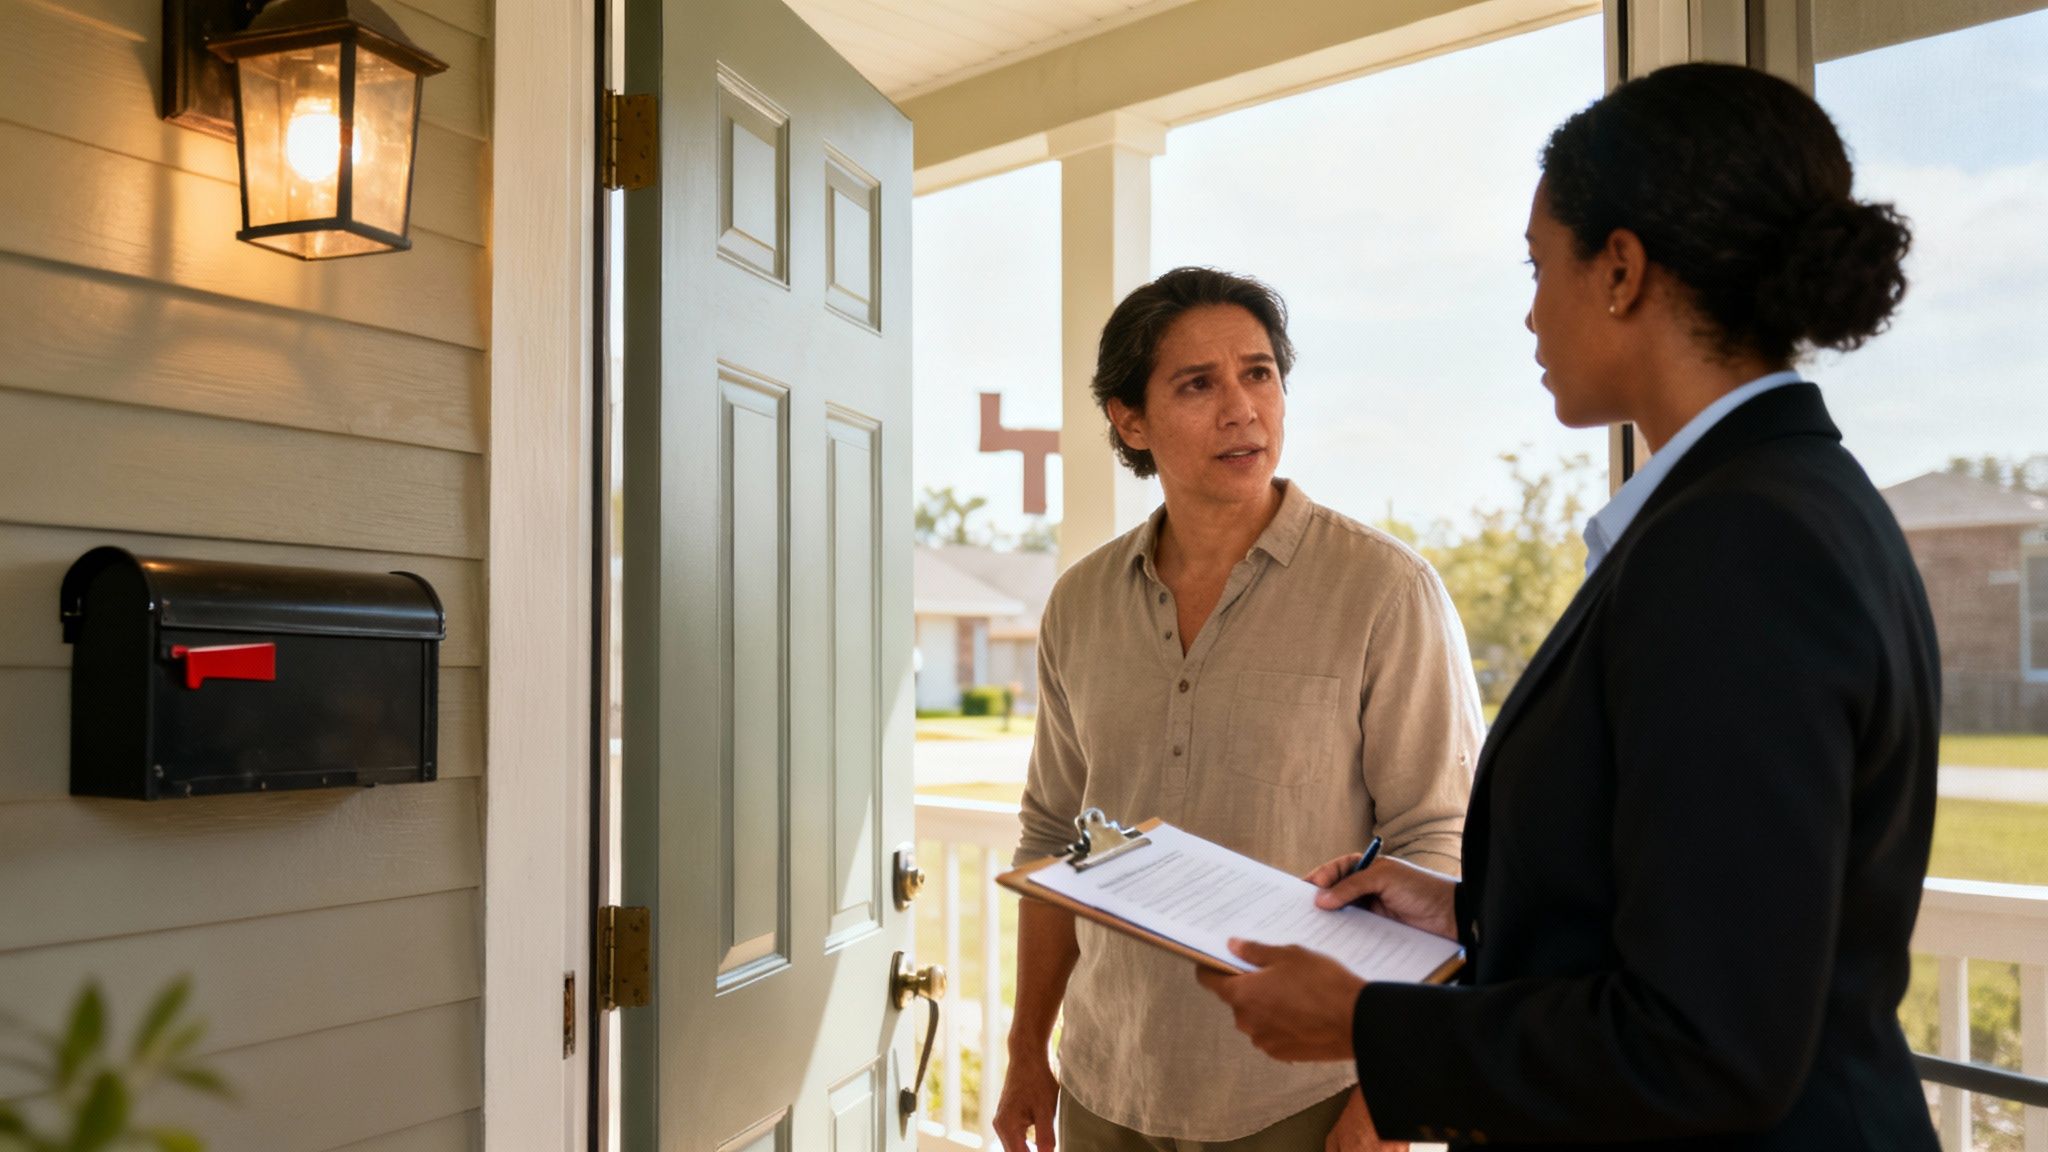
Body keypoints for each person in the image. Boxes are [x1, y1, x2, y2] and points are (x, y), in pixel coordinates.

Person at [1195, 62, 1937, 1151]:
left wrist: (1367, 1027)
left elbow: (1704, 1043)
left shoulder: (1739, 545)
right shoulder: (1777, 500)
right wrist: (1470, 914)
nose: (1531, 309)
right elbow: (1715, 904)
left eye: (1539, 265)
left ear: (1621, 270)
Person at [992, 267, 1485, 1152]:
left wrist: (1386, 1094)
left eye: (1259, 373)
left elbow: (1440, 844)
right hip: (1107, 1086)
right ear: (1129, 419)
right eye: (1198, 384)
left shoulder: (1384, 590)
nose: (1242, 409)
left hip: (1302, 1095)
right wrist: (1029, 1047)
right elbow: (1051, 835)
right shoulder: (1079, 603)